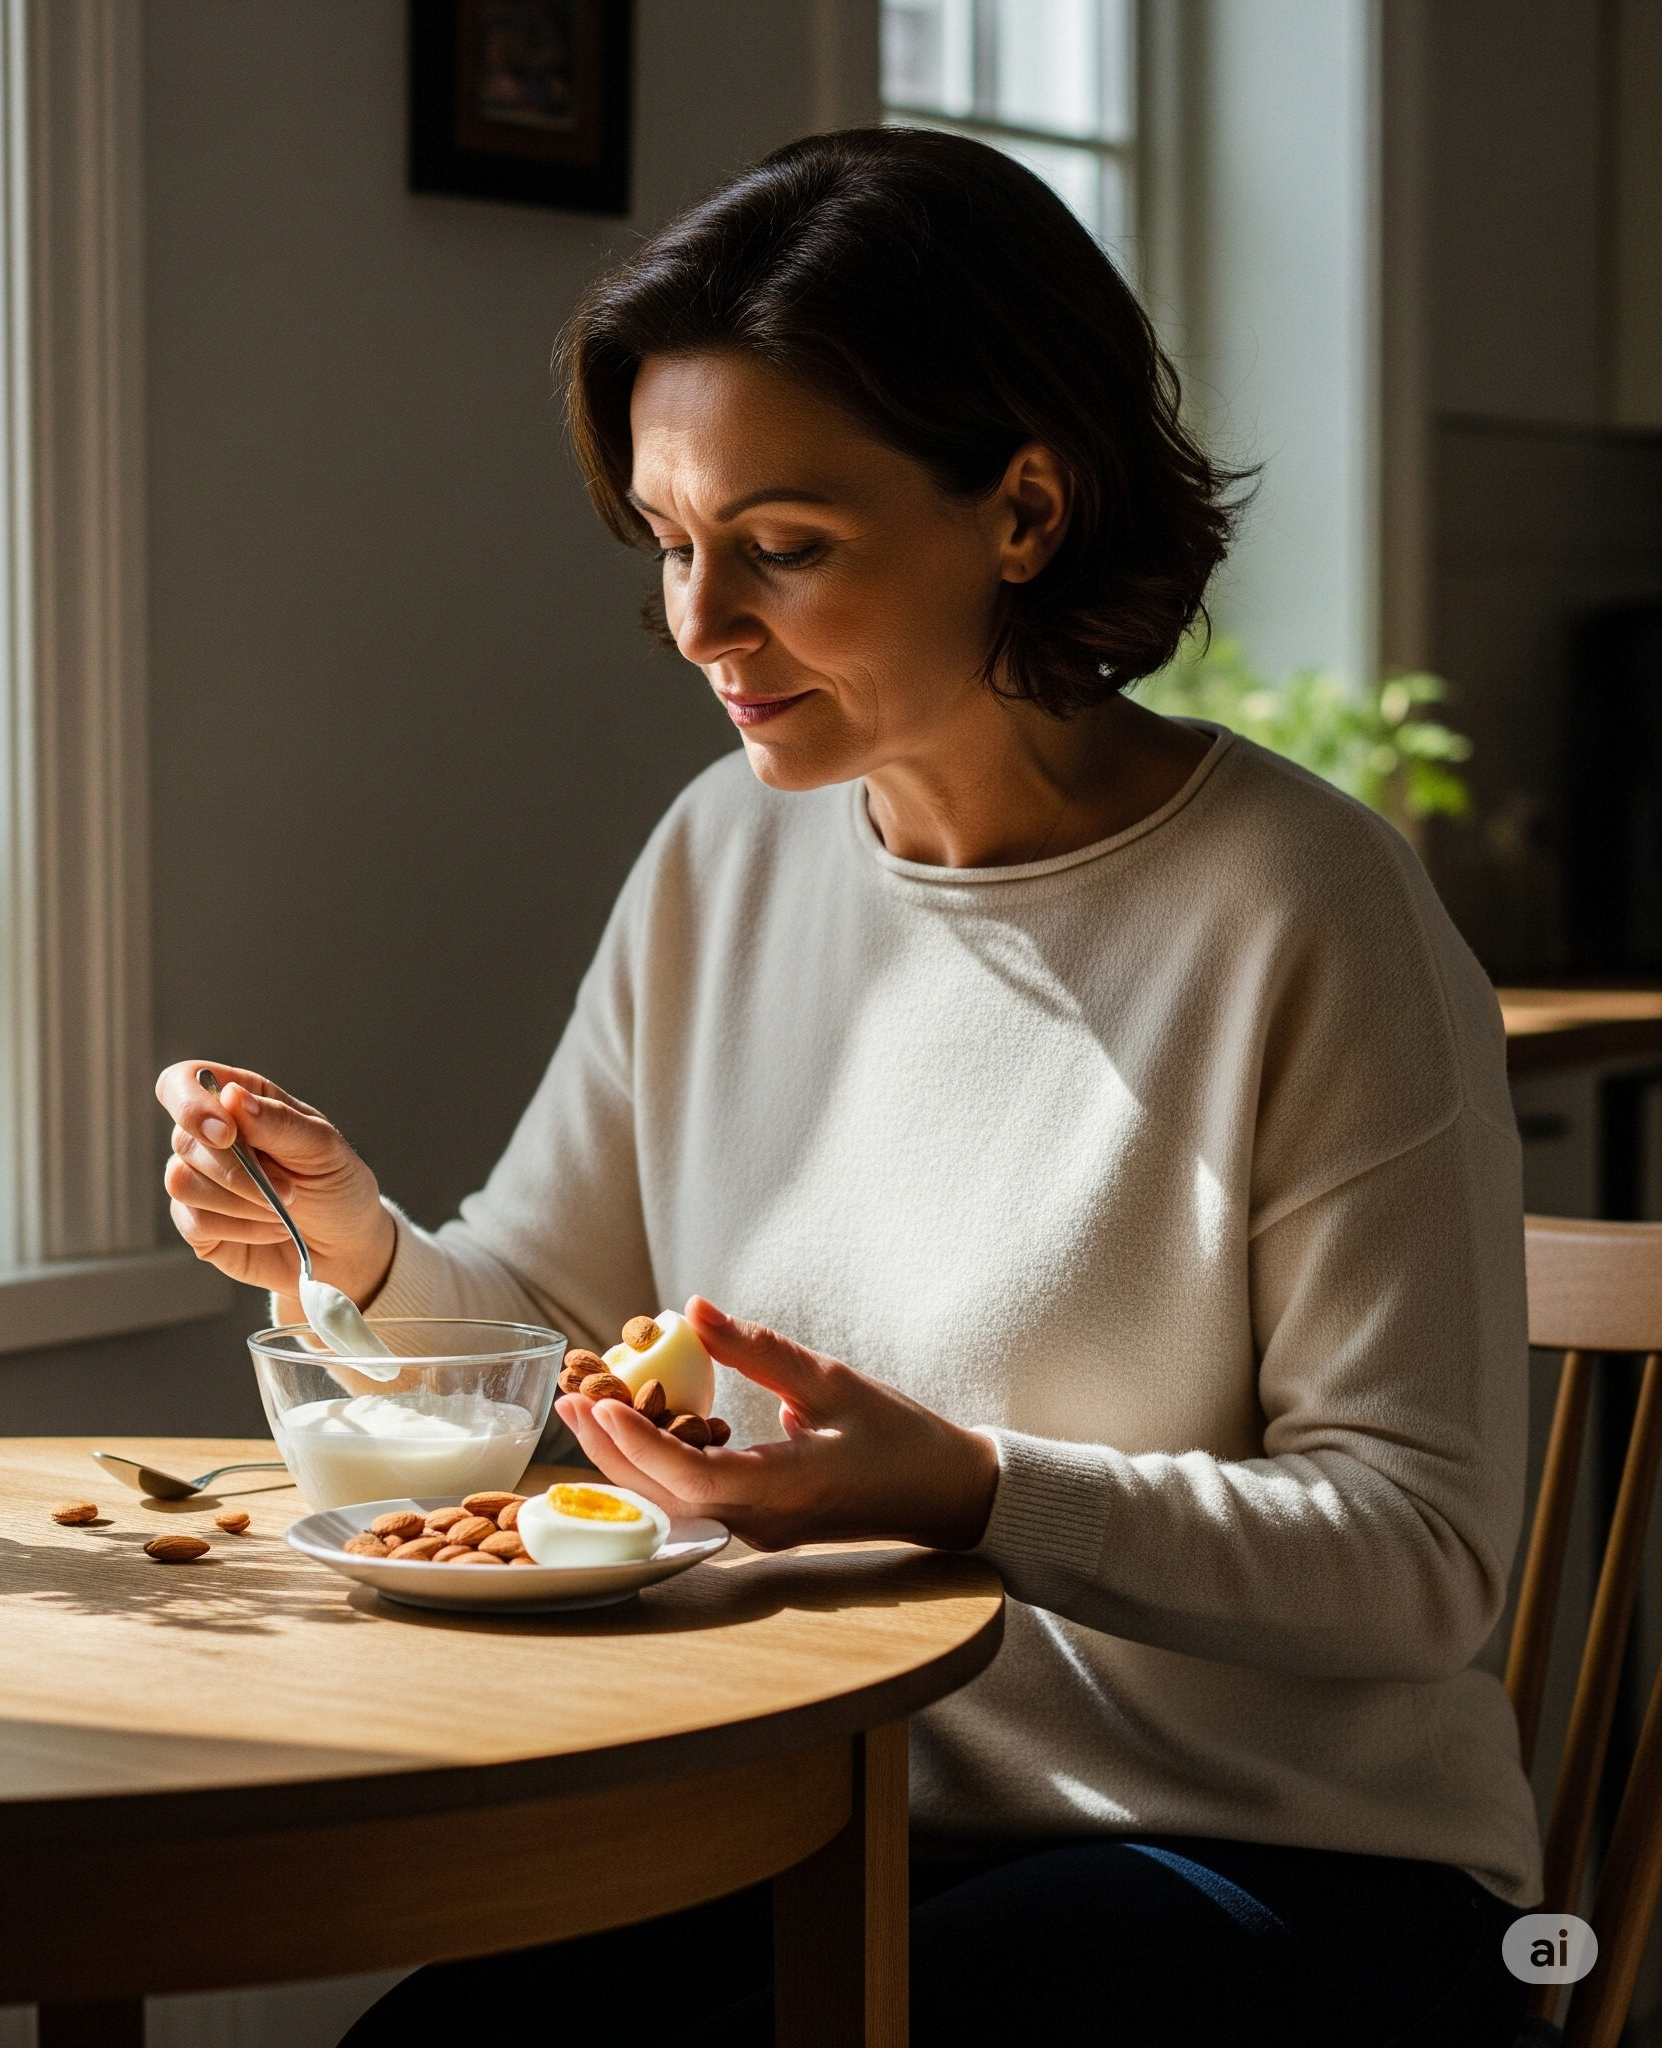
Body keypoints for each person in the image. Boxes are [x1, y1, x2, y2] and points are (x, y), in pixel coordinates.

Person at [158, 127, 1535, 2045]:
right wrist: (358, 1249)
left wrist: (969, 1490)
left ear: (1026, 510)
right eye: (666, 543)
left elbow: (1425, 1562)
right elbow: (542, 1332)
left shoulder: (1307, 909)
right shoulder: (727, 853)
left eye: (782, 550)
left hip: (1276, 1869)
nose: (698, 626)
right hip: (813, 1813)